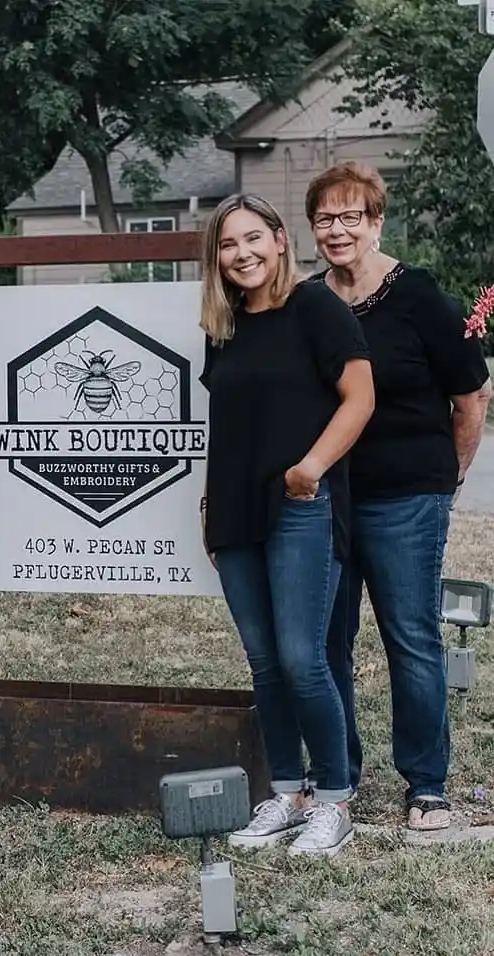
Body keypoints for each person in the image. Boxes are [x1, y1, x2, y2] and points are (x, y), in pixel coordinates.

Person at [307, 162, 492, 831]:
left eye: (351, 216)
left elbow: (471, 397)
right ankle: (336, 779)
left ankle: (427, 785)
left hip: (408, 497)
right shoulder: (309, 302)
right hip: (327, 500)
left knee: (410, 638)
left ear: (377, 221)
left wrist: (449, 481)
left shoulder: (418, 297)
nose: (338, 230)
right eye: (325, 218)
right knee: (325, 642)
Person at [199, 194, 374, 857]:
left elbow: (362, 399)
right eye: (226, 244)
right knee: (265, 662)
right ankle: (289, 792)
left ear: (278, 240)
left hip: (302, 505)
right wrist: (211, 503)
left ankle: (334, 802)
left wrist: (313, 467)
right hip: (237, 511)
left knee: (304, 659)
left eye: (252, 238)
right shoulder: (225, 326)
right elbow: (230, 426)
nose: (241, 253)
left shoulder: (316, 308)